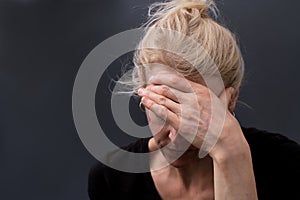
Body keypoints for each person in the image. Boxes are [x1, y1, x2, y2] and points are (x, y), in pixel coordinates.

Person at [88, 0, 300, 199]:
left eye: (196, 109)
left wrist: (233, 155)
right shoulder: (112, 178)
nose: (179, 137)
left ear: (230, 100)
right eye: (164, 105)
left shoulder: (285, 164)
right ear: (143, 96)